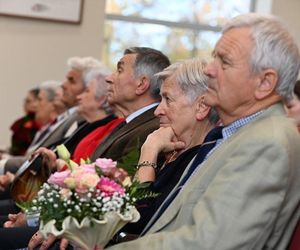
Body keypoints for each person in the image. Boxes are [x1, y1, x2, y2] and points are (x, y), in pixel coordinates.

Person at [96, 13, 300, 250]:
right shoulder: (238, 134)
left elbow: (209, 243)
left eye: (224, 62)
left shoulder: (266, 143)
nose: (210, 70)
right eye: (214, 58)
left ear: (265, 83)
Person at [113, 58, 219, 240]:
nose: (157, 111)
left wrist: (149, 152)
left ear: (201, 107)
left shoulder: (203, 161)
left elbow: (136, 220)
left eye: (167, 99)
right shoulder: (169, 149)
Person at [8, 88, 41, 156]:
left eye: (28, 101)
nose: (25, 104)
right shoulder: (20, 122)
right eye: (25, 101)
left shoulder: (42, 122)